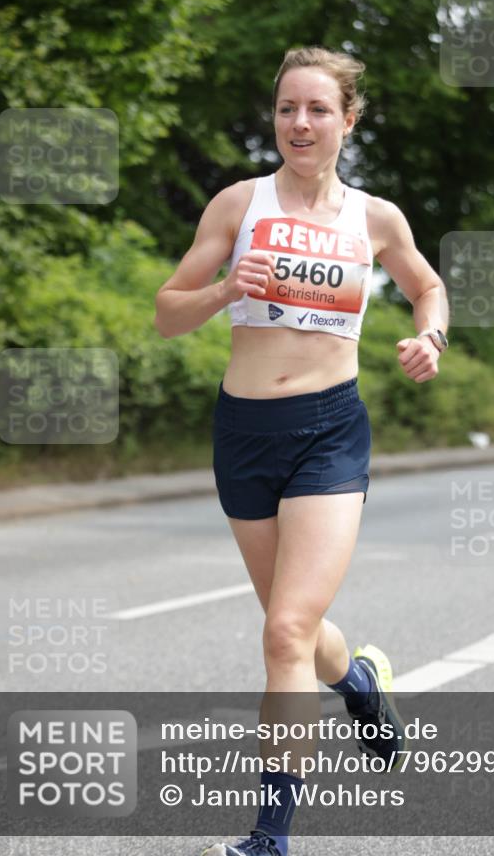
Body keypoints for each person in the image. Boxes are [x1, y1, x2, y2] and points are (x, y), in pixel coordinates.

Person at [154, 46, 449, 856]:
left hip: (328, 431)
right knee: (300, 633)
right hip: (243, 434)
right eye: (287, 108)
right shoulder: (237, 204)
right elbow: (167, 313)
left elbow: (426, 285)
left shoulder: (374, 218)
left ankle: (268, 841)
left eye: (318, 109)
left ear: (347, 120)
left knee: (284, 632)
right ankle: (357, 682)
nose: (300, 123)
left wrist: (431, 335)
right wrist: (224, 291)